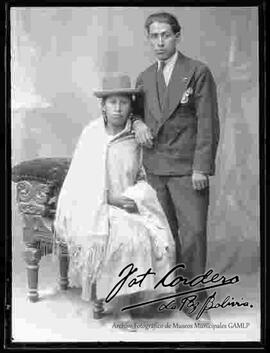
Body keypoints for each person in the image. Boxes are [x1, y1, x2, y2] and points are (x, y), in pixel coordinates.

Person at [53, 73, 175, 325]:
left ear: (131, 106)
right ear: (103, 106)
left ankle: (138, 298)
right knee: (129, 236)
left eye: (123, 102)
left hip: (130, 203)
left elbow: (143, 175)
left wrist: (135, 197)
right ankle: (122, 308)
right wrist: (111, 200)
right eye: (112, 102)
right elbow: (79, 181)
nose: (118, 108)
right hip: (93, 205)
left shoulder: (135, 137)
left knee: (160, 236)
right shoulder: (92, 134)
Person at [132, 12, 220, 320]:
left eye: (165, 35)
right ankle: (167, 296)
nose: (159, 42)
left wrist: (201, 167)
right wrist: (138, 122)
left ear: (177, 37)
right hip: (155, 168)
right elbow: (133, 112)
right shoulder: (144, 77)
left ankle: (195, 300)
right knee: (163, 237)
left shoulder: (197, 71)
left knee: (193, 234)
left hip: (187, 169)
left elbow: (208, 123)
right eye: (154, 36)